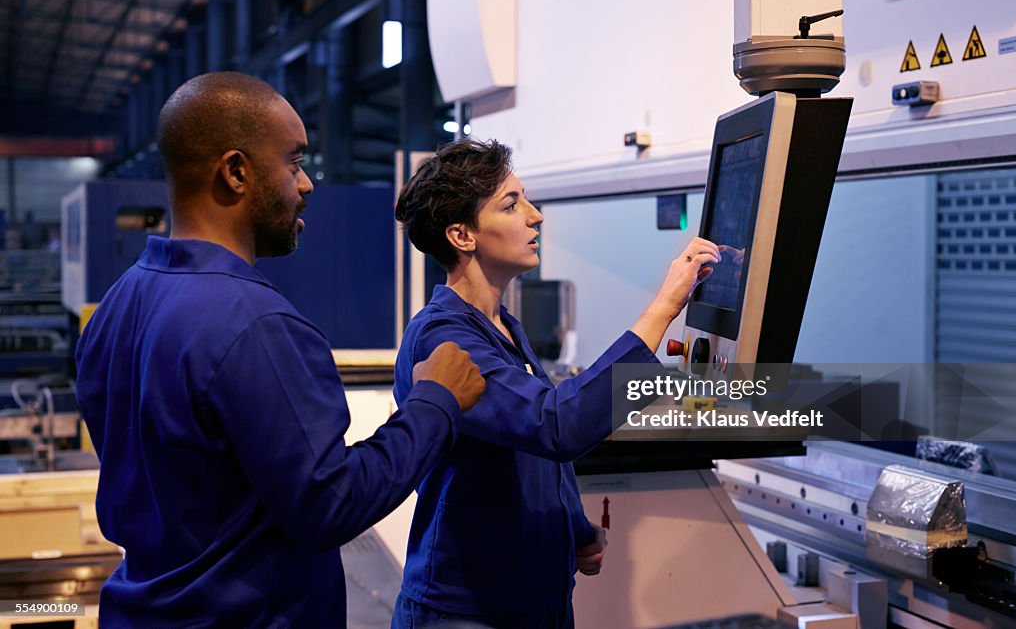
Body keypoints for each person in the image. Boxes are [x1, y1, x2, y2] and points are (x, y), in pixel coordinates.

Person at [74, 72, 485, 628]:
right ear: (236, 172)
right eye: (294, 163)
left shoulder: (119, 303)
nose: (307, 184)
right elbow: (331, 504)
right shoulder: (256, 324)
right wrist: (435, 402)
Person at [390, 138, 720, 628]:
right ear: (462, 235)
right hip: (465, 611)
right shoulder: (445, 337)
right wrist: (665, 306)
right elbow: (555, 424)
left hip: (533, 602)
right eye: (511, 203)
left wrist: (574, 529)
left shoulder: (501, 325)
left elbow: (530, 450)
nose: (535, 215)